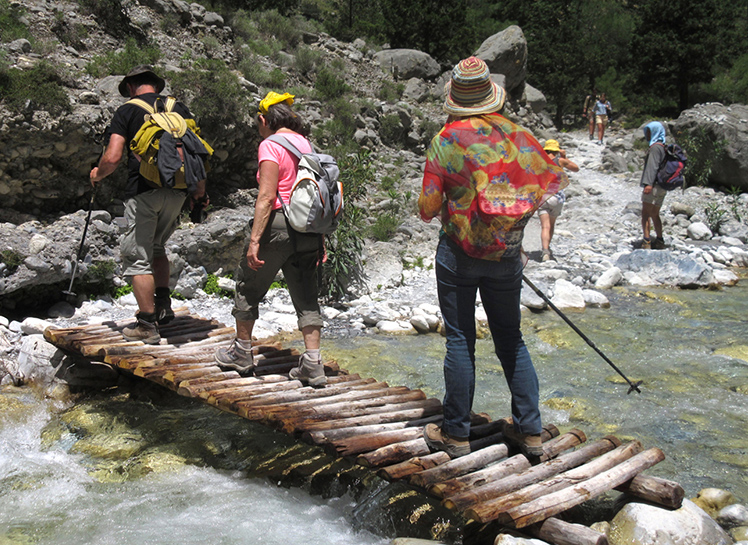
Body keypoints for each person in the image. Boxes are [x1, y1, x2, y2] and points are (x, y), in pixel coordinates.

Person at [418, 57, 568, 459]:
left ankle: (456, 433)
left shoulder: (447, 139)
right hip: (507, 254)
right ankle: (531, 431)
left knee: (461, 340)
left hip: (458, 254)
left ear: (457, 98)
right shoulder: (521, 136)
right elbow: (547, 185)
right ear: (491, 94)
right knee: (511, 340)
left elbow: (427, 208)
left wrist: (460, 193)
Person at [214, 91, 327, 385]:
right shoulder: (307, 145)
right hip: (308, 230)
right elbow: (315, 196)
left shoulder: (270, 145)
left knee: (247, 285)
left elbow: (266, 197)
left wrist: (254, 242)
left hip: (277, 226)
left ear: (264, 119)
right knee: (306, 295)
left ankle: (241, 353)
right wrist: (321, 239)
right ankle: (313, 364)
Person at [90, 65, 207, 344]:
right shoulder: (179, 109)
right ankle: (163, 307)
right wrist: (198, 194)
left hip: (143, 192)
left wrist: (97, 174)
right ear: (156, 85)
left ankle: (146, 325)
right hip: (178, 192)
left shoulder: (127, 111)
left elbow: (114, 156)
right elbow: (198, 154)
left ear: (131, 87)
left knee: (136, 257)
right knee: (157, 248)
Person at [538, 140, 579, 262]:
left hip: (543, 197)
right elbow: (576, 168)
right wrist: (564, 156)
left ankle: (545, 251)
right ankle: (548, 249)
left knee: (545, 226)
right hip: (557, 197)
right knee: (551, 225)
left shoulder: (540, 161)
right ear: (556, 150)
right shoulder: (560, 161)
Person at [640, 121, 669, 250]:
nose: (647, 134)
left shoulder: (655, 148)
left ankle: (646, 241)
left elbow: (652, 167)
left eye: (649, 131)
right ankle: (660, 240)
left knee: (646, 213)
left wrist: (648, 184)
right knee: (655, 214)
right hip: (662, 186)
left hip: (654, 186)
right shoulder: (663, 147)